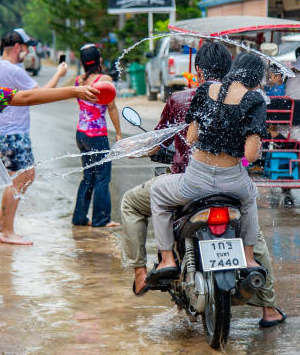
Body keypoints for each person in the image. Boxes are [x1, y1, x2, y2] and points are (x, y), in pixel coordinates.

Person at [122, 43, 285, 326]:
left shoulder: (203, 93)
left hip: (194, 181)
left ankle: (165, 261)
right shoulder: (254, 100)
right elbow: (249, 155)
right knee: (250, 203)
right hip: (232, 182)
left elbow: (193, 136)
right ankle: (252, 270)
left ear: (200, 70)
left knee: (157, 194)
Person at [0, 28, 70, 245]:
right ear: (17, 47)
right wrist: (59, 74)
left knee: (21, 176)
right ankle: (7, 231)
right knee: (21, 177)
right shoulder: (13, 70)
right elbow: (41, 95)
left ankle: (0, 221)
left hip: (3, 130)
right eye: (26, 47)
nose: (27, 51)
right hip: (14, 131)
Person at [72, 44, 122, 228]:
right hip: (97, 135)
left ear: (82, 62)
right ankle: (101, 219)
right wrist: (117, 132)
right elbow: (112, 108)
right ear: (99, 60)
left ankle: (79, 217)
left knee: (88, 176)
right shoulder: (104, 79)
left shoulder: (78, 80)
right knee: (102, 177)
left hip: (81, 134)